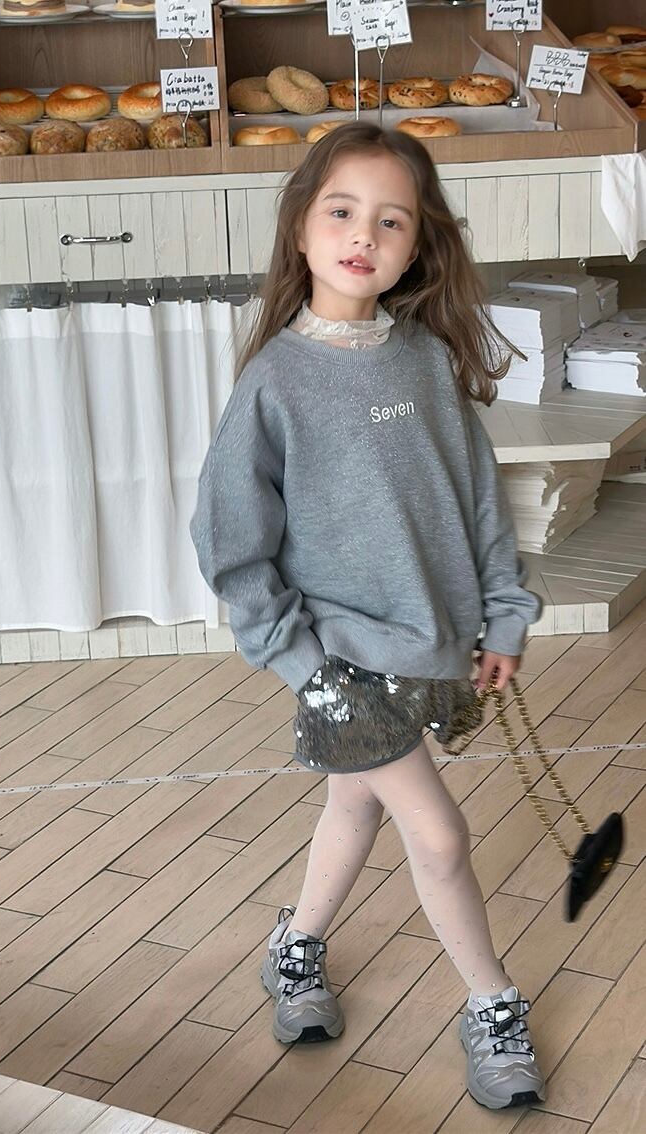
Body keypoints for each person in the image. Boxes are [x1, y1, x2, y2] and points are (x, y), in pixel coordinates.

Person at [190, 122, 546, 1112]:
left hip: (428, 644)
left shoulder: (424, 361)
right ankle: (492, 1002)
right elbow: (229, 539)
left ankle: (295, 946)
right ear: (301, 226)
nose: (363, 235)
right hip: (340, 661)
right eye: (342, 211)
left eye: (391, 220)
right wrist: (300, 661)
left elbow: (477, 502)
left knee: (354, 805)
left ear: (419, 243)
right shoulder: (275, 383)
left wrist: (503, 617)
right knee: (438, 835)